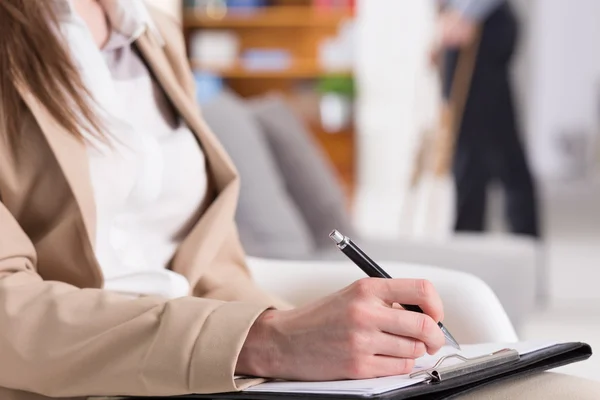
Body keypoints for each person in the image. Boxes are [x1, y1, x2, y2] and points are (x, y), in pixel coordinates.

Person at [0, 1, 595, 399]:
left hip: (222, 366)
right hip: (91, 375)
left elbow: (207, 255)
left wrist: (308, 345)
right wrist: (265, 338)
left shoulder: (149, 23)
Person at [437, 0, 541, 238]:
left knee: (474, 149)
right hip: (467, 23)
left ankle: (472, 239)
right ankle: (517, 235)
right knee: (489, 144)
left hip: (479, 27)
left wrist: (465, 14)